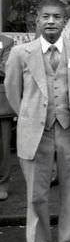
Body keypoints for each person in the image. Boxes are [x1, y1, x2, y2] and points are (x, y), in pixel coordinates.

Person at [4, 0, 70, 242]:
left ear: (65, 20)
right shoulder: (21, 53)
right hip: (35, 131)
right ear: (37, 20)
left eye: (57, 16)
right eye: (46, 16)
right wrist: (31, 116)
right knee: (36, 195)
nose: (51, 21)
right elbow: (12, 91)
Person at [0, 33, 15, 201]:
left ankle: (2, 183)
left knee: (3, 146)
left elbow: (6, 69)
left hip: (1, 103)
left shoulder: (6, 42)